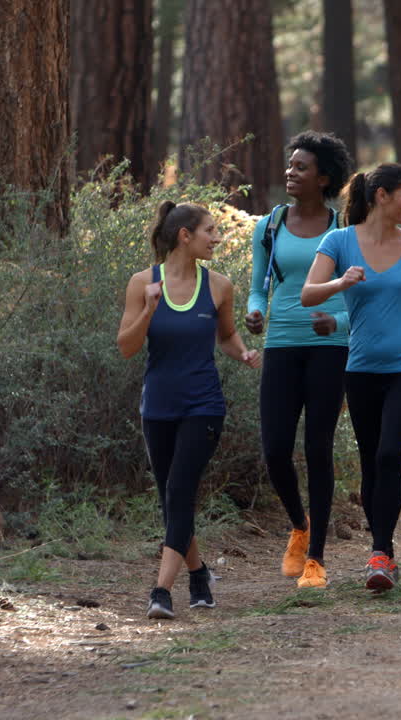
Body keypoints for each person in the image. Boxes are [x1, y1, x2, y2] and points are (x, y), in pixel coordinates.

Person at [301, 162, 401, 592]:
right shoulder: (340, 241)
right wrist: (341, 283)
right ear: (381, 195)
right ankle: (383, 552)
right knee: (370, 462)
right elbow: (309, 294)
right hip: (362, 368)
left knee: (388, 455)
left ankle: (380, 552)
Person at [117, 201, 262, 619]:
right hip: (158, 407)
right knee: (171, 501)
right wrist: (148, 309)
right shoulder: (142, 282)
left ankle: (161, 591)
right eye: (210, 231)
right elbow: (126, 347)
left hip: (204, 405)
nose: (217, 238)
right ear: (185, 236)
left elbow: (227, 336)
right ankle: (198, 573)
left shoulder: (219, 286)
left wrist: (244, 354)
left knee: (180, 491)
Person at [244, 131, 354, 589]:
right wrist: (254, 309)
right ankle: (299, 523)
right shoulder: (269, 225)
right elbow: (259, 284)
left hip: (331, 349)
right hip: (282, 343)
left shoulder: (344, 229)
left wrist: (339, 320)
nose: (291, 172)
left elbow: (355, 291)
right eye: (290, 165)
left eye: (301, 167)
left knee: (318, 449)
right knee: (274, 450)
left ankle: (316, 558)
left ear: (323, 177)